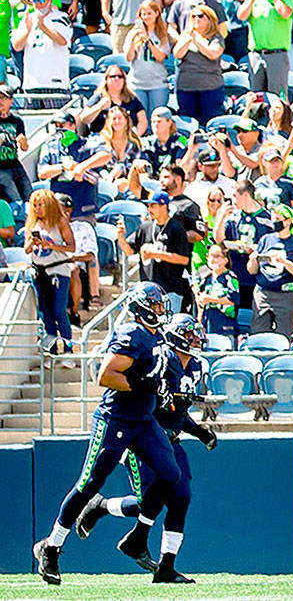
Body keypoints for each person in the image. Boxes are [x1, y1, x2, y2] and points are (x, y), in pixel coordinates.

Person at [33, 283, 181, 587]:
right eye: (155, 306)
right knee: (89, 484)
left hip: (142, 419)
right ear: (141, 309)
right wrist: (144, 385)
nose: (160, 311)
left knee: (169, 474)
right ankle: (52, 546)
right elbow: (106, 376)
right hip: (116, 419)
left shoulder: (157, 335)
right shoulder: (131, 334)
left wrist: (163, 389)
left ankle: (138, 537)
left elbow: (155, 374)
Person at [72, 314, 214, 585]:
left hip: (170, 440)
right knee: (147, 503)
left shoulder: (195, 365)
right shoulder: (161, 361)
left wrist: (200, 432)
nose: (196, 339)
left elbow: (178, 411)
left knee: (181, 498)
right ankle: (101, 505)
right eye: (190, 334)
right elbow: (149, 401)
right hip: (143, 438)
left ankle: (167, 568)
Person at [26, 188, 77, 357]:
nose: (37, 209)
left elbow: (71, 247)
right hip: (39, 271)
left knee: (58, 310)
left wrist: (51, 246)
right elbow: (26, 249)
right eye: (35, 205)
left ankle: (68, 350)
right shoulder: (32, 223)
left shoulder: (60, 222)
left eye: (40, 204)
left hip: (58, 269)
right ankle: (53, 351)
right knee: (45, 311)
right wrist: (33, 243)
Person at [247, 203, 293, 337]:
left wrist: (283, 261)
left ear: (288, 221)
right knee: (259, 334)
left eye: (278, 219)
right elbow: (252, 270)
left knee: (284, 335)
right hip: (263, 293)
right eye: (273, 219)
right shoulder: (265, 239)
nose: (275, 223)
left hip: (286, 295)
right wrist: (253, 259)